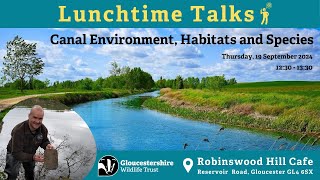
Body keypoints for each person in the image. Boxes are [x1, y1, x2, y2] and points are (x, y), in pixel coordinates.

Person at [4, 105, 54, 180]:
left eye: (40, 118)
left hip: (30, 153)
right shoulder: (18, 130)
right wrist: (33, 157)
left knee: (30, 172)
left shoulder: (43, 129)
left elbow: (43, 141)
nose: (37, 121)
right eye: (35, 117)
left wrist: (47, 145)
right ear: (29, 116)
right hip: (14, 152)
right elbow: (17, 153)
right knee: (12, 173)